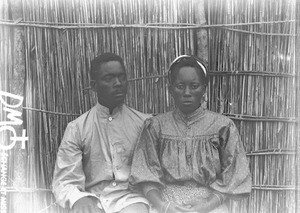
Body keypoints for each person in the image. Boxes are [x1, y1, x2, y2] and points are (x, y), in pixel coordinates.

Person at [129, 55, 251, 213]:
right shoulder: (155, 126)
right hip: (166, 202)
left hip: (210, 203)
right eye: (180, 86)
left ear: (204, 89)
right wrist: (163, 206)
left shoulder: (222, 126)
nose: (187, 92)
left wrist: (206, 206)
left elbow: (234, 173)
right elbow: (145, 173)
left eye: (194, 86)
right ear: (170, 88)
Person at [52, 53, 151, 213]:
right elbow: (64, 180)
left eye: (122, 77)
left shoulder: (144, 124)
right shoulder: (77, 128)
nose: (118, 83)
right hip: (93, 200)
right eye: (109, 78)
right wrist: (78, 198)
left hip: (132, 201)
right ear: (94, 85)